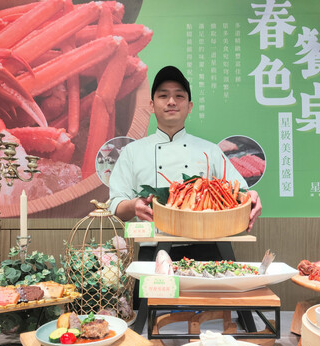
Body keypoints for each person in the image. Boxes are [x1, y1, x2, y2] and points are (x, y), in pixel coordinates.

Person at [109, 65, 262, 231]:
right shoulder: (133, 152)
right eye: (163, 95)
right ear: (151, 106)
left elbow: (241, 192)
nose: (172, 101)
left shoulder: (210, 151)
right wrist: (134, 205)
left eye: (179, 96)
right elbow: (116, 205)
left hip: (207, 242)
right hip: (154, 246)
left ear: (190, 107)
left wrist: (251, 198)